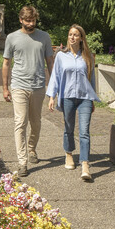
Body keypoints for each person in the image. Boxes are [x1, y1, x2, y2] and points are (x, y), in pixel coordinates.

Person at [2, 5, 54, 177]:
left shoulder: (44, 37)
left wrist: (53, 86)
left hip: (38, 86)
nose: (31, 24)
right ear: (21, 20)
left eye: (33, 20)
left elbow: (50, 62)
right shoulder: (12, 38)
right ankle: (22, 161)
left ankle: (32, 149)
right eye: (28, 21)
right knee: (20, 122)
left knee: (36, 122)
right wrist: (5, 87)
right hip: (19, 86)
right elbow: (6, 63)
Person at [46, 24, 98, 182]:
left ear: (81, 38)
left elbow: (92, 78)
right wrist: (52, 96)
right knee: (68, 128)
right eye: (70, 35)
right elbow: (55, 76)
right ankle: (69, 154)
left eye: (76, 35)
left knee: (84, 131)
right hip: (67, 96)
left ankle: (85, 164)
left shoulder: (87, 56)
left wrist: (93, 98)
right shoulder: (61, 56)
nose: (72, 37)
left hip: (85, 98)